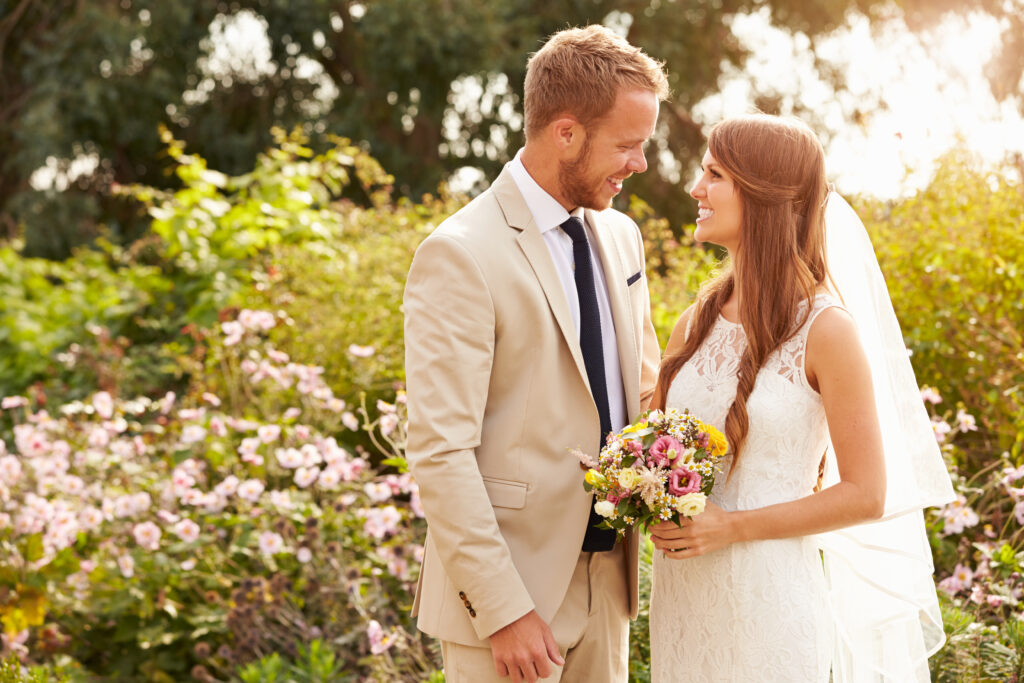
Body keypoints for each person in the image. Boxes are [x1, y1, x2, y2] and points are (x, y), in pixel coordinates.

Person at [403, 25, 668, 683]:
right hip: (510, 605)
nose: (640, 164)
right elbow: (440, 449)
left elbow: (642, 389)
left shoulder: (623, 237)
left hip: (609, 587)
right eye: (628, 145)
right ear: (567, 133)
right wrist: (503, 610)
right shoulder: (460, 252)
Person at [647, 114, 953, 681]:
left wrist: (732, 527)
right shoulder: (695, 323)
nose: (695, 189)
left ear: (762, 196)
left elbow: (865, 494)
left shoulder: (827, 330)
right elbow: (664, 451)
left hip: (769, 599)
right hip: (685, 600)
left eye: (714, 174)